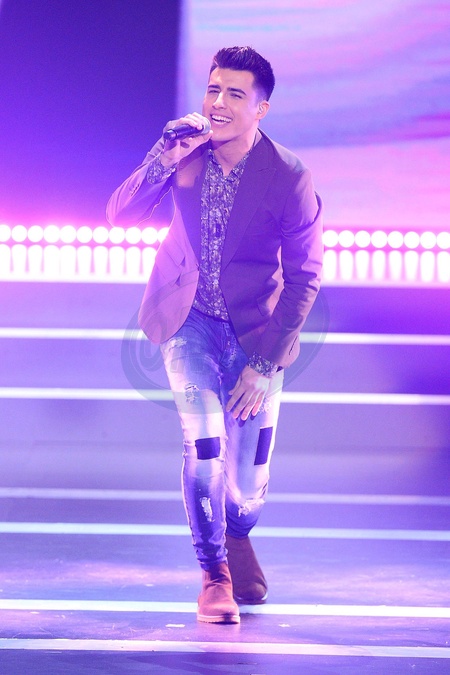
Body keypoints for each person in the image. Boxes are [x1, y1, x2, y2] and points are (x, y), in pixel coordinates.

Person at [107, 46, 323, 624]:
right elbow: (119, 215)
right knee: (203, 444)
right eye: (213, 89)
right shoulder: (186, 152)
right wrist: (162, 156)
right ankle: (214, 575)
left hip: (257, 334)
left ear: (261, 108)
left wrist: (265, 364)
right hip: (188, 323)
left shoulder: (290, 176)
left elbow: (305, 277)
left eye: (234, 94)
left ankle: (237, 532)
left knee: (246, 489)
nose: (218, 103)